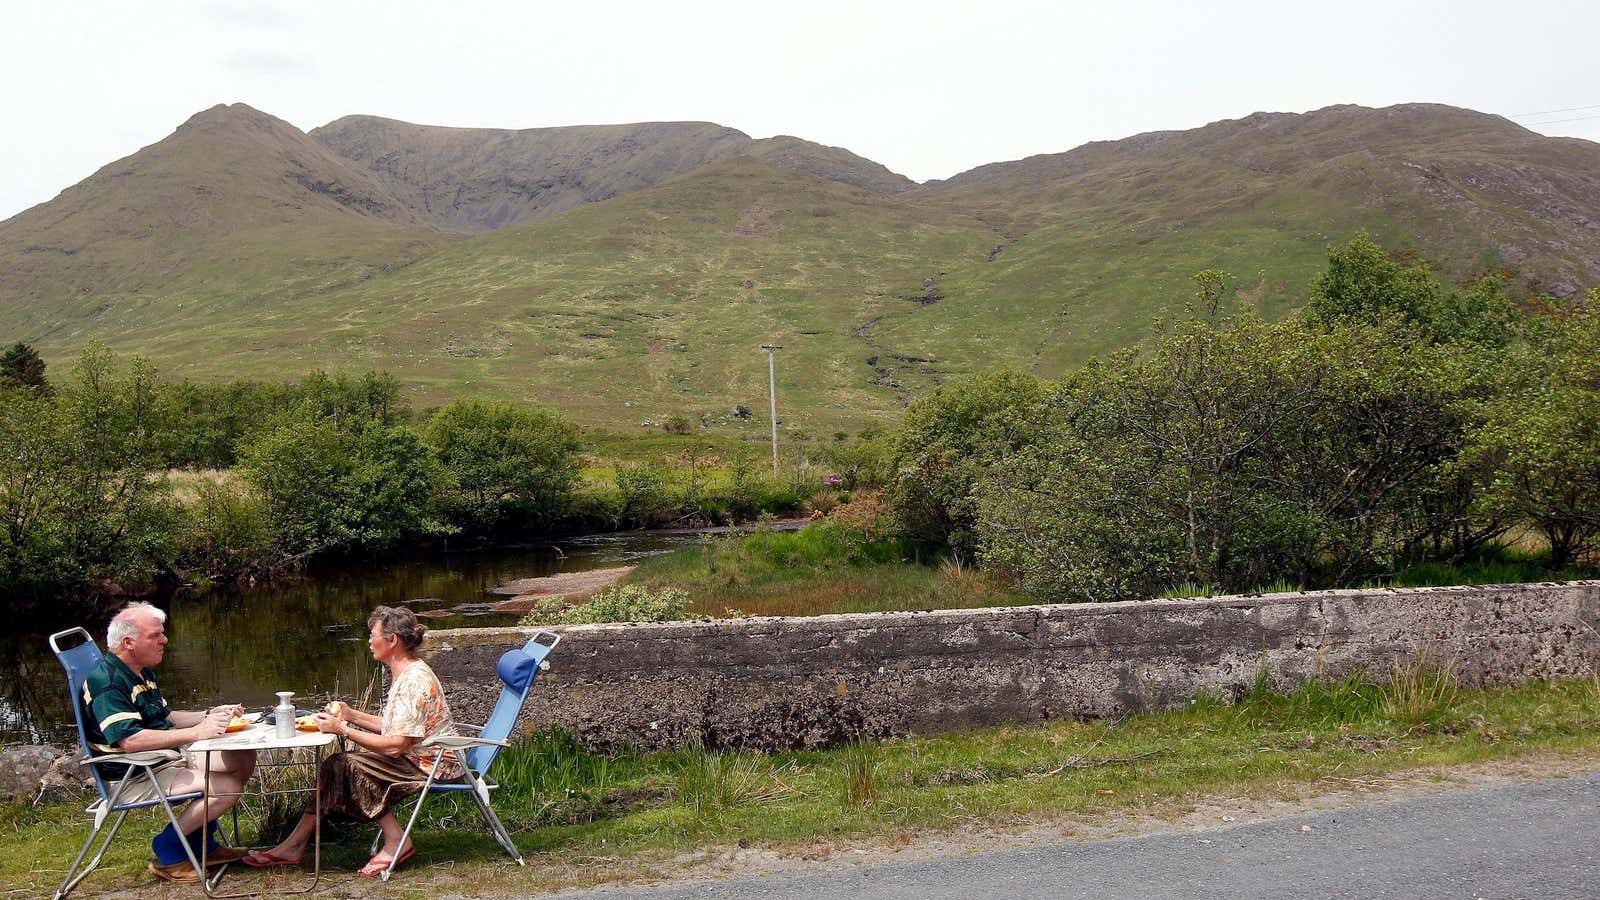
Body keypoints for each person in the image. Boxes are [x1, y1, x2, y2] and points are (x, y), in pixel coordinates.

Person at [245, 605, 460, 877]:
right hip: (415, 756)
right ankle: (294, 845)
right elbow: (396, 727)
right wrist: (351, 714)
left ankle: (396, 840)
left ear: (392, 640)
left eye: (373, 635)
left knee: (348, 766)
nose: (369, 641)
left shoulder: (414, 680)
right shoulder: (405, 672)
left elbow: (396, 744)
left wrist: (343, 729)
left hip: (432, 765)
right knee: (335, 764)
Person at [81, 602, 257, 884]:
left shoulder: (140, 669)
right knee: (227, 788)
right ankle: (170, 850)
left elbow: (166, 717)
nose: (164, 640)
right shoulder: (108, 681)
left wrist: (210, 715)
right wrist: (198, 733)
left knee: (241, 758)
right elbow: (131, 740)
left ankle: (201, 844)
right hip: (133, 774)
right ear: (129, 642)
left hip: (161, 759)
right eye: (155, 635)